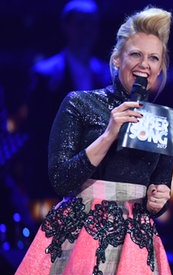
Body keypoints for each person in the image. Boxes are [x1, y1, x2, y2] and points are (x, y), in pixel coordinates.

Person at [0, 6, 173, 275]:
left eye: (154, 58)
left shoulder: (160, 121)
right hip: (79, 237)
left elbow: (160, 187)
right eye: (136, 54)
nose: (145, 65)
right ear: (117, 59)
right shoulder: (79, 102)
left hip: (134, 246)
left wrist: (159, 200)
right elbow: (60, 179)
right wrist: (110, 133)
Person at [18, 0, 111, 215]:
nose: (87, 30)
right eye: (80, 23)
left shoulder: (106, 75)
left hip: (96, 176)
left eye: (92, 24)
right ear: (66, 26)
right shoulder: (44, 74)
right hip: (55, 174)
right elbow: (36, 129)